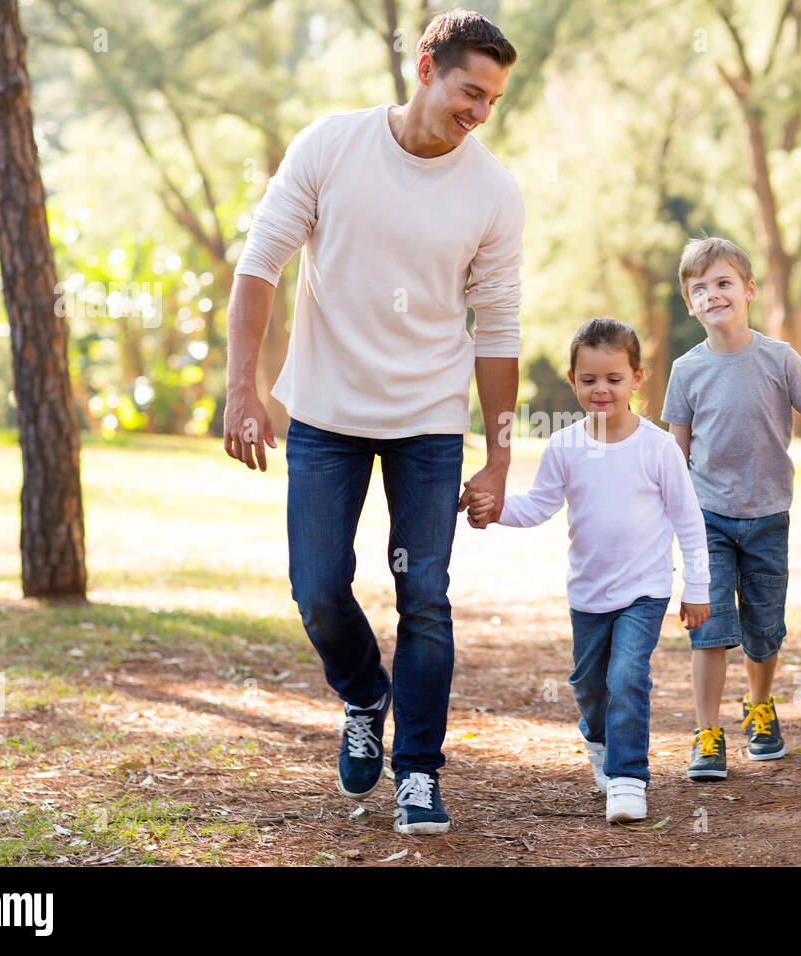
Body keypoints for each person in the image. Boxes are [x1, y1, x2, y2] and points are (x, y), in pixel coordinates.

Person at [221, 10, 523, 834]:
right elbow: (261, 265)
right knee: (318, 588)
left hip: (427, 420)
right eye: (471, 92)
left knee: (424, 596)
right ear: (425, 68)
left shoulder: (493, 192)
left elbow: (498, 334)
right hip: (324, 410)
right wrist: (241, 387)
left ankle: (419, 772)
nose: (480, 114)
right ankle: (364, 693)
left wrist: (498, 459)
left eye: (494, 100)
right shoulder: (331, 145)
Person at [467, 319, 711, 823]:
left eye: (614, 379)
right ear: (574, 380)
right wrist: (493, 510)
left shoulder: (659, 448)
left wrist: (697, 587)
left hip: (645, 589)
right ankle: (599, 740)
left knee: (627, 676)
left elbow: (689, 521)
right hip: (588, 593)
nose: (601, 389)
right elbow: (538, 505)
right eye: (590, 379)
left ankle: (627, 777)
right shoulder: (565, 447)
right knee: (589, 684)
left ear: (637, 379)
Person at [662, 237, 801, 781]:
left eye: (723, 283)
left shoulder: (780, 359)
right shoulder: (686, 371)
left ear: (749, 290)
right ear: (690, 304)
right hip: (707, 518)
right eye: (699, 289)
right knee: (709, 630)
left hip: (768, 517)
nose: (712, 295)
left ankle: (759, 709)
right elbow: (675, 454)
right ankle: (706, 732)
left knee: (764, 627)